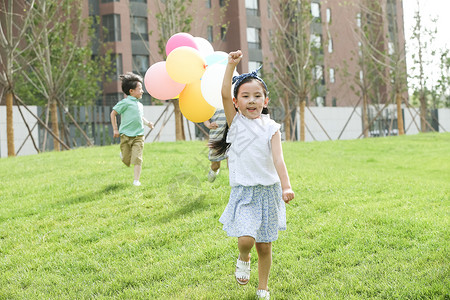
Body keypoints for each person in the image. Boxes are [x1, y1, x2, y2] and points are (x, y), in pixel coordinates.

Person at [210, 50, 294, 300]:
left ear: (265, 101)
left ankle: (263, 288)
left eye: (257, 96)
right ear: (236, 102)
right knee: (246, 240)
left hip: (269, 193)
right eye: (245, 96)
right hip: (245, 191)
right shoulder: (235, 123)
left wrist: (286, 187)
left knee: (265, 246)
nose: (252, 100)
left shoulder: (272, 128)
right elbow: (224, 92)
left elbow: (279, 159)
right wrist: (230, 65)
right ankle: (243, 256)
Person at [110, 72, 154, 186]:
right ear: (131, 91)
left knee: (137, 158)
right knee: (126, 160)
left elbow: (140, 116)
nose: (142, 91)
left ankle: (136, 180)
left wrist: (148, 123)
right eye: (140, 88)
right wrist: (115, 129)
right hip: (125, 135)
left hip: (139, 135)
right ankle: (123, 155)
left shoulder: (140, 105)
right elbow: (113, 113)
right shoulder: (125, 103)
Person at [203, 108, 227, 182]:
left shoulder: (232, 99)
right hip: (216, 136)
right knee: (215, 165)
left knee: (232, 162)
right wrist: (209, 125)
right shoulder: (211, 102)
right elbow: (205, 118)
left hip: (230, 135)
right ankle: (214, 171)